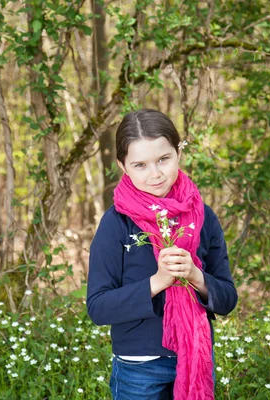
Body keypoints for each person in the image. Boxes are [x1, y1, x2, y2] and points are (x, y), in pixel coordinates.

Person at [86, 109, 238, 400]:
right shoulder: (116, 222)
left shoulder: (203, 217)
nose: (154, 174)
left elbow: (228, 300)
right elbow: (98, 307)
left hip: (196, 358)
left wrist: (195, 275)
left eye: (163, 159)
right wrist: (158, 281)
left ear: (178, 153)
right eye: (140, 164)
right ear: (123, 165)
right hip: (138, 369)